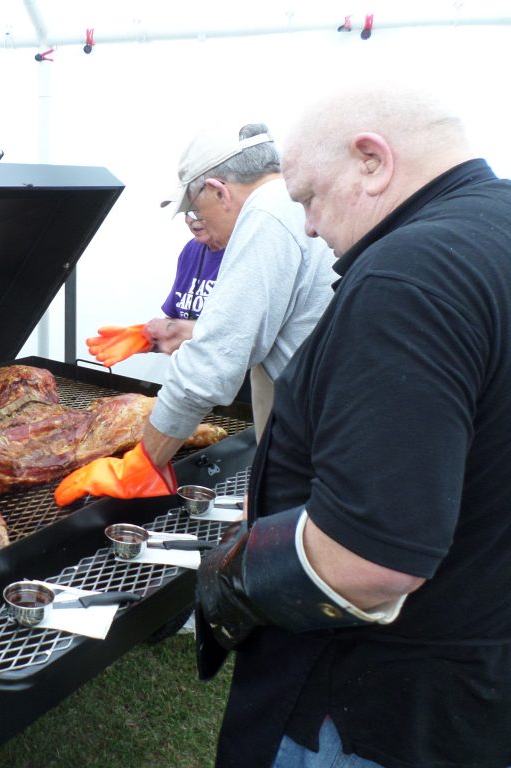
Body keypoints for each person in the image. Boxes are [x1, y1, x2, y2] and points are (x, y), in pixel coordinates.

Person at [194, 84, 511, 768]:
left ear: (372, 161)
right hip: (473, 685)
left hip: (363, 708)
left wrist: (233, 574)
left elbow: (371, 561)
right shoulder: (499, 223)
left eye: (309, 197)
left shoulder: (408, 277)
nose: (307, 226)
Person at [57, 122, 334, 506]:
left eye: (194, 207)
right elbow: (274, 329)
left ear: (218, 191)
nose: (195, 222)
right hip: (322, 430)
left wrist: (143, 463)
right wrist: (176, 331)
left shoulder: (265, 218)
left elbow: (209, 369)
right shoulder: (293, 206)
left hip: (316, 445)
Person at [145, 213, 226, 355]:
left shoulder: (248, 253)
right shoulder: (192, 249)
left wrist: (178, 328)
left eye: (197, 209)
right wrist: (141, 339)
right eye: (186, 211)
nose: (191, 220)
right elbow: (175, 319)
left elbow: (240, 332)